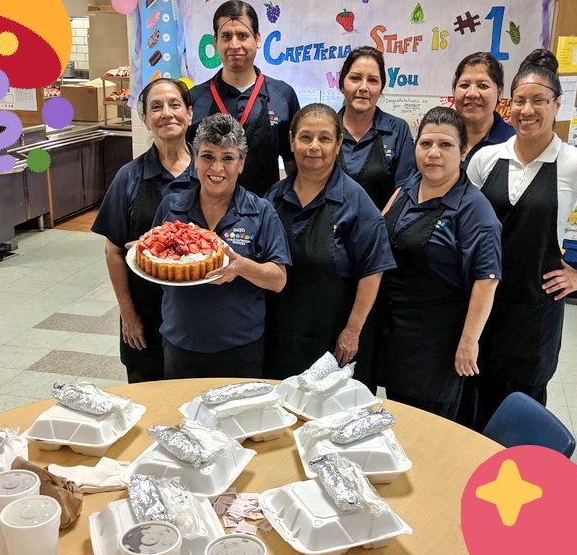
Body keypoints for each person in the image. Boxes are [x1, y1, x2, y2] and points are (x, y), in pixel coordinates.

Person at [466, 49, 577, 430]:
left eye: (539, 101)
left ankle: (520, 477)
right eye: (521, 101)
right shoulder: (486, 159)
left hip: (534, 307)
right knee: (477, 395)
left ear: (557, 104)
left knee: (523, 403)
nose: (528, 110)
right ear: (509, 105)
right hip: (481, 303)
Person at [378, 106, 502, 419]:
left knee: (430, 427)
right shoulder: (406, 188)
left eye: (445, 145)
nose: (433, 153)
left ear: (463, 152)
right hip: (396, 332)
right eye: (426, 144)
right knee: (399, 416)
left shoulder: (474, 210)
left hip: (439, 342)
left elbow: (486, 280)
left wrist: (468, 342)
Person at [264, 103, 396, 387]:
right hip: (278, 339)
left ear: (338, 144)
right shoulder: (272, 199)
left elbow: (373, 270)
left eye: (324, 138)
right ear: (291, 141)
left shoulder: (357, 203)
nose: (314, 147)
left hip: (333, 344)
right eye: (305, 137)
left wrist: (353, 330)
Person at [151, 113, 291, 379]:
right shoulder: (172, 207)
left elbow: (278, 280)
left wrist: (240, 266)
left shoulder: (261, 212)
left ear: (241, 163)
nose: (217, 168)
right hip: (181, 343)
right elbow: (156, 271)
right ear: (195, 159)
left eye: (227, 158)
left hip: (240, 348)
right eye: (208, 157)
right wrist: (151, 253)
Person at [92, 78, 196, 382]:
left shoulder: (209, 175)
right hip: (145, 315)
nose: (167, 113)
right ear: (145, 119)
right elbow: (113, 251)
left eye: (175, 104)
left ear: (190, 113)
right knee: (147, 399)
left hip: (196, 318)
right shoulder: (129, 177)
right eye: (156, 107)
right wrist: (129, 315)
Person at [188, 0, 300, 195]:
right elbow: (185, 163)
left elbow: (293, 163)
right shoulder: (195, 99)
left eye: (242, 35)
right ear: (215, 42)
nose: (234, 44)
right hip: (207, 219)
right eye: (226, 36)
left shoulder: (283, 96)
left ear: (257, 39)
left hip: (265, 214)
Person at [336, 46, 416, 209]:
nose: (363, 87)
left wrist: (378, 225)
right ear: (342, 85)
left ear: (380, 89)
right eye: (355, 78)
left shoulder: (398, 130)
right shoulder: (327, 128)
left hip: (382, 228)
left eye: (372, 80)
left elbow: (404, 187)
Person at [452, 51, 515, 164]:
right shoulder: (441, 137)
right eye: (464, 85)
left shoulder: (514, 143)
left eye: (482, 86)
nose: (472, 93)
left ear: (499, 93)